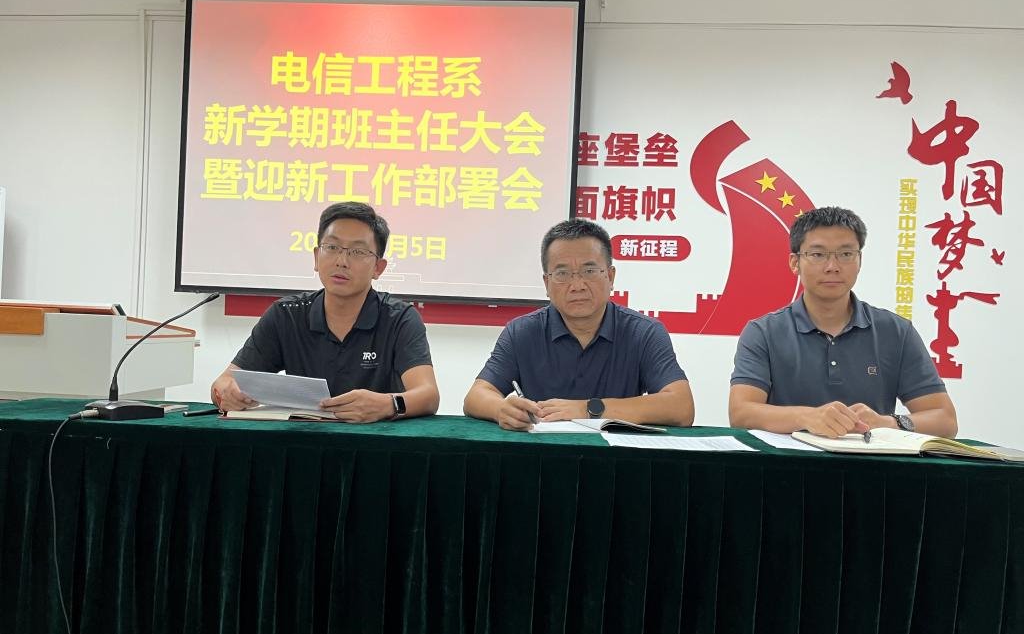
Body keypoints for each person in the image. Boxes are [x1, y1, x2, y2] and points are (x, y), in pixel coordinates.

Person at [729, 206, 957, 438]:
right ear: (795, 263)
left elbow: (945, 420)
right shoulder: (763, 332)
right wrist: (807, 417)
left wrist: (887, 423)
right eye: (818, 255)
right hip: (788, 459)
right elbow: (741, 413)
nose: (833, 267)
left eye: (846, 254)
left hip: (870, 459)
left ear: (859, 260)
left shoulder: (896, 331)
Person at [211, 202, 439, 422]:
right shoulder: (286, 315)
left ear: (378, 268)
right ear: (316, 257)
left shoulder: (399, 318)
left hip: (376, 440)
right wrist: (227, 394)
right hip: (303, 439)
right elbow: (223, 383)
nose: (342, 261)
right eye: (332, 247)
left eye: (358, 252)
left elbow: (428, 395)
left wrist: (387, 404)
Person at [464, 219, 695, 431]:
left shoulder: (643, 333)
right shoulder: (521, 332)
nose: (577, 285)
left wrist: (588, 409)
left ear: (610, 277)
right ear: (546, 283)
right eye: (563, 273)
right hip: (542, 456)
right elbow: (476, 396)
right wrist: (501, 410)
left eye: (589, 271)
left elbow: (681, 407)